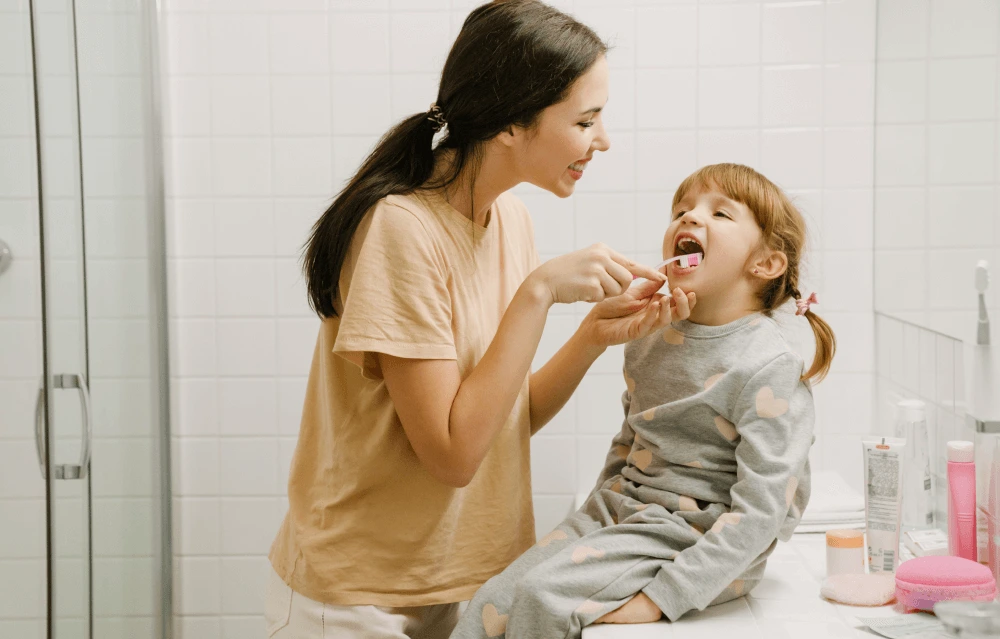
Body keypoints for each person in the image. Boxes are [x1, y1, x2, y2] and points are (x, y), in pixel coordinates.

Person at [265, 2, 695, 637]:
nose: (602, 140)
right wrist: (539, 291)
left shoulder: (509, 219)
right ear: (511, 125)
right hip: (364, 601)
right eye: (585, 120)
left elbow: (499, 422)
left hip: (466, 583)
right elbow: (453, 456)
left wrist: (591, 337)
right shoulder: (400, 228)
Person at [450, 163, 838, 638]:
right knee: (492, 599)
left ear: (766, 263)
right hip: (623, 515)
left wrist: (664, 596)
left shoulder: (767, 364)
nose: (689, 219)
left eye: (719, 213)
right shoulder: (650, 337)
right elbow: (630, 442)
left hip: (697, 537)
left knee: (542, 598)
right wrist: (590, 517)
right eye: (682, 209)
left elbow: (763, 510)